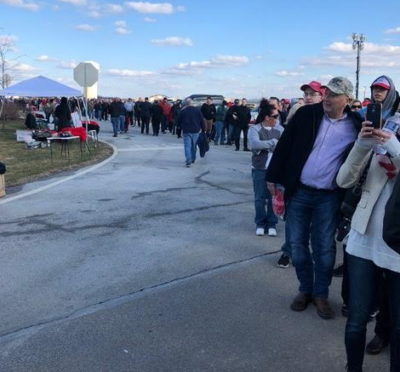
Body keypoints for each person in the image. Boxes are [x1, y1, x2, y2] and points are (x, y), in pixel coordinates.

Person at [266, 77, 362, 319]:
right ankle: (305, 290)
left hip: (328, 197)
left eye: (334, 95)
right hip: (300, 191)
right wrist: (273, 176)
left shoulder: (356, 125)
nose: (327, 98)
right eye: (326, 93)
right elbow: (285, 145)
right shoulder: (306, 114)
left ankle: (321, 294)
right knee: (297, 246)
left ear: (347, 99)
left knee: (324, 249)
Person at [336, 86, 400, 371]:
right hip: (363, 236)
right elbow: (343, 180)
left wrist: (396, 147)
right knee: (356, 320)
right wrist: (362, 144)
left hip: (398, 245)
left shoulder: (394, 140)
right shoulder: (385, 130)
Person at [277, 81, 324, 268]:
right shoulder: (297, 115)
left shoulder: (329, 120)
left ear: (322, 96)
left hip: (320, 181)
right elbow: (284, 148)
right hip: (296, 179)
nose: (308, 97)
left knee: (315, 224)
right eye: (306, 94)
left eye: (313, 94)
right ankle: (288, 252)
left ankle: (306, 253)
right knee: (293, 220)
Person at [248, 103, 281, 237]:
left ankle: (272, 223)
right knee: (260, 198)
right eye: (275, 116)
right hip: (259, 168)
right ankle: (260, 223)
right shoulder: (255, 129)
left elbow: (284, 146)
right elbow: (254, 144)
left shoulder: (280, 129)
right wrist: (273, 142)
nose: (277, 119)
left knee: (274, 196)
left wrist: (264, 146)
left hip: (275, 169)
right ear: (267, 117)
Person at [176, 98, 205, 167]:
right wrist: (203, 129)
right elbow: (202, 120)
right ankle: (193, 158)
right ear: (192, 103)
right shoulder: (197, 110)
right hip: (196, 131)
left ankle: (188, 159)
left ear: (186, 104)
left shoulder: (183, 111)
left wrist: (178, 129)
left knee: (187, 146)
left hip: (186, 131)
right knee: (193, 145)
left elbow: (178, 121)